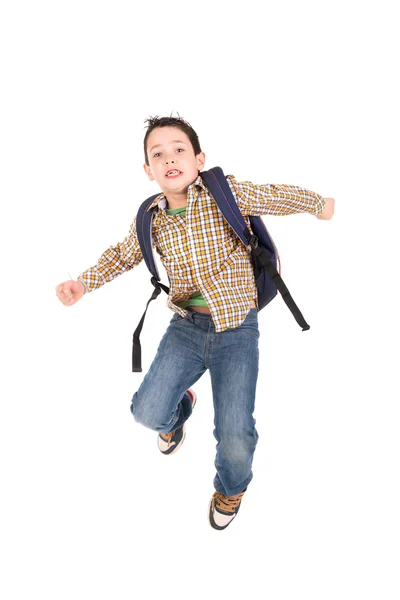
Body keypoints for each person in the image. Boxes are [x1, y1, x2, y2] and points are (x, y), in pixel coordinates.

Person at [56, 115, 335, 531]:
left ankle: (230, 487)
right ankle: (181, 409)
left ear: (199, 158)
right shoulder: (150, 218)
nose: (170, 158)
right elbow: (121, 255)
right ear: (148, 170)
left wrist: (319, 204)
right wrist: (83, 282)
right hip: (187, 327)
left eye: (179, 149)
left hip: (237, 328)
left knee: (235, 435)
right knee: (147, 413)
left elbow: (275, 195)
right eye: (158, 154)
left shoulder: (225, 192)